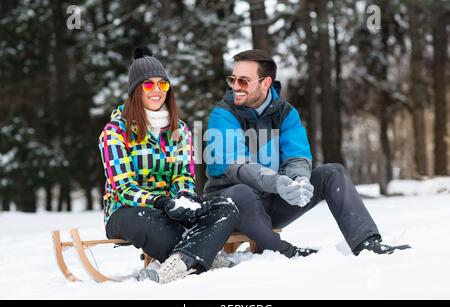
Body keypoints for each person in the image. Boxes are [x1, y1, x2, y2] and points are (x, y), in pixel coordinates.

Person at [204, 49, 410, 258]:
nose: (236, 87)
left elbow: (297, 156)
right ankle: (285, 252)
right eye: (233, 80)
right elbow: (237, 166)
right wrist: (276, 181)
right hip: (230, 204)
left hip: (271, 201)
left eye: (244, 81)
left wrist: (298, 179)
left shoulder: (286, 113)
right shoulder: (223, 114)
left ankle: (366, 243)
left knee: (333, 173)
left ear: (265, 83)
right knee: (242, 192)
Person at [98, 46, 239, 284]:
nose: (157, 90)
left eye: (162, 84)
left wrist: (184, 197)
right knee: (151, 219)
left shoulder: (179, 129)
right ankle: (208, 258)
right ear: (135, 90)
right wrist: (162, 202)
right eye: (148, 85)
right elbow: (123, 188)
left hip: (171, 210)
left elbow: (183, 174)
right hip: (127, 211)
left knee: (226, 207)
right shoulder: (115, 132)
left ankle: (180, 264)